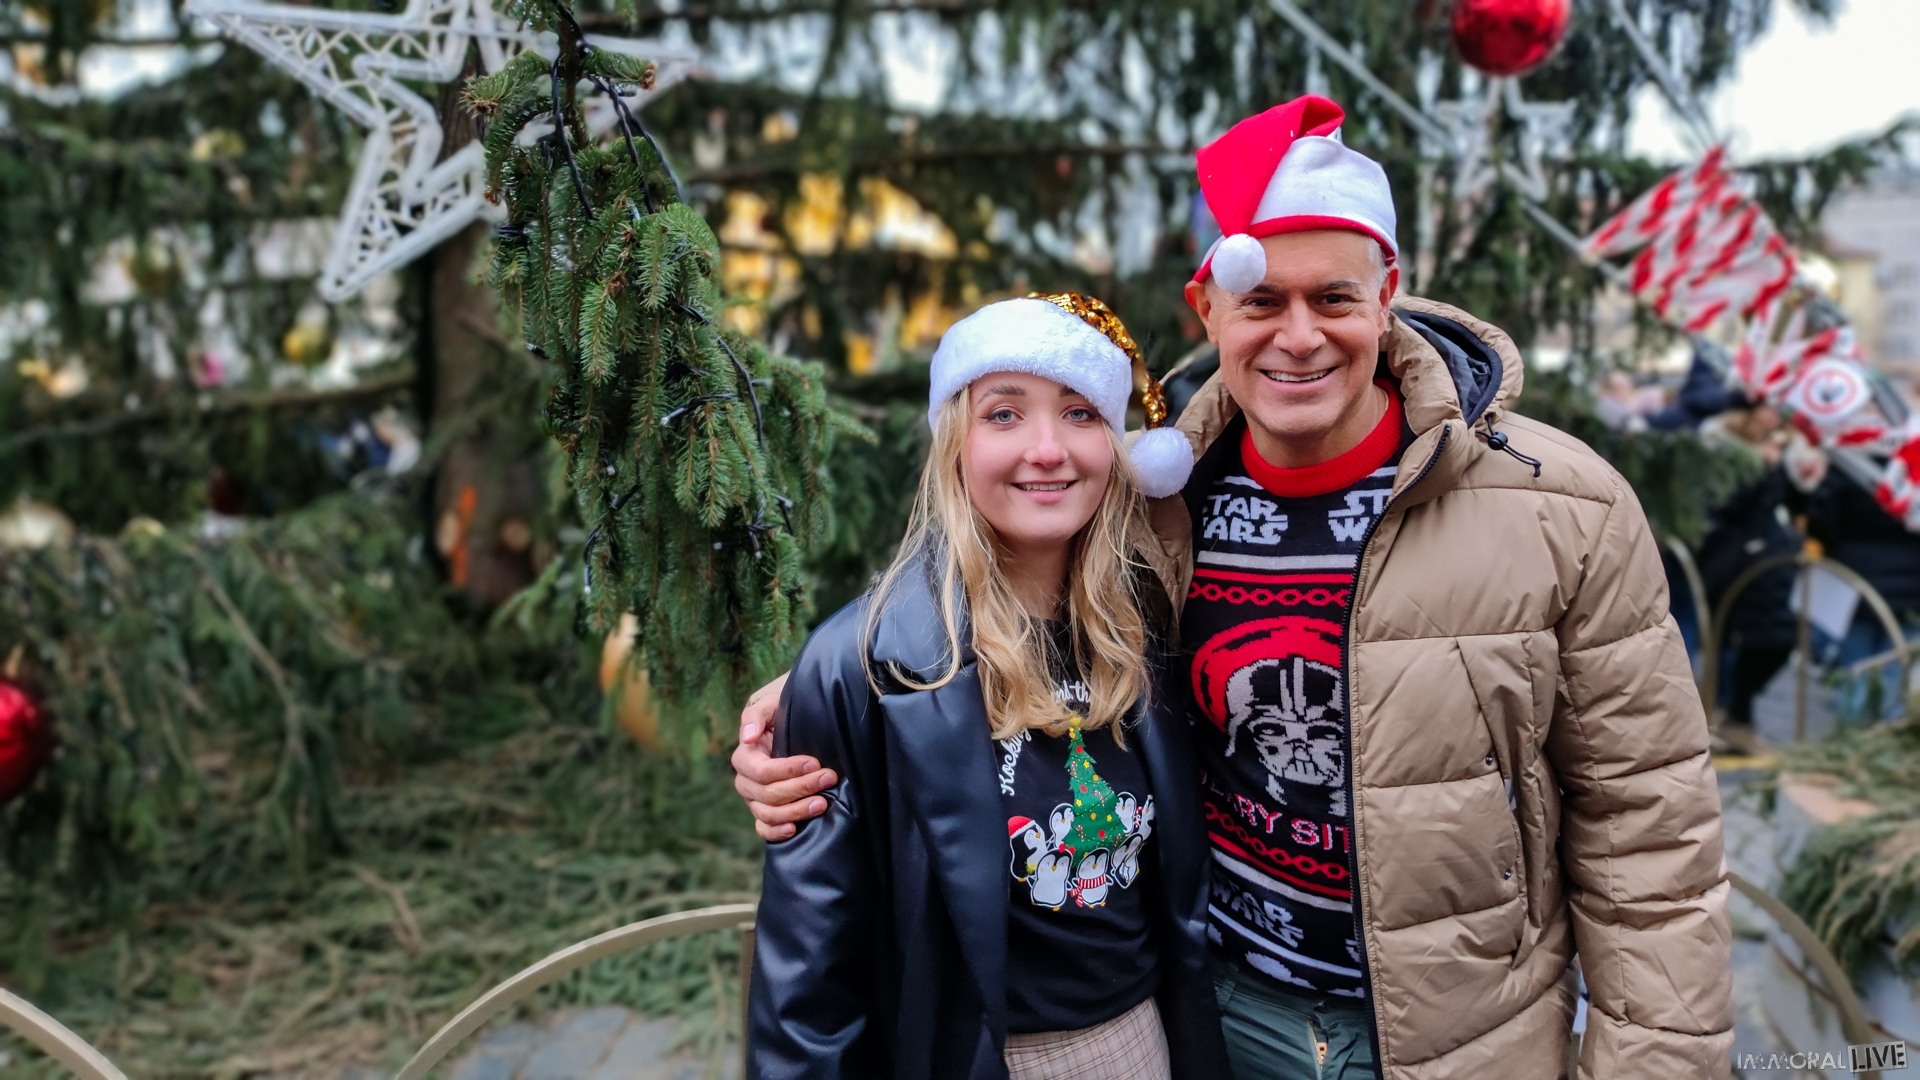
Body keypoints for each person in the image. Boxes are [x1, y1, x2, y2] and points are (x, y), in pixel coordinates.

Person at [739, 95, 1733, 1078]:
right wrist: (835, 700)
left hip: (1467, 1044)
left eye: (1334, 298)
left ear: (1387, 292)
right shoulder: (1156, 509)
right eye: (1261, 301)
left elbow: (1650, 834)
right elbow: (1011, 607)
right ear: (1208, 306)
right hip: (1216, 1023)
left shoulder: (1561, 507)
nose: (1298, 336)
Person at [746, 293, 1232, 1080]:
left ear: (1115, 447)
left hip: (1144, 1045)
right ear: (955, 445)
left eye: (1079, 413)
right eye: (1004, 415)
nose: (1047, 449)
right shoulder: (864, 666)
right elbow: (808, 985)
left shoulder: (1145, 625)